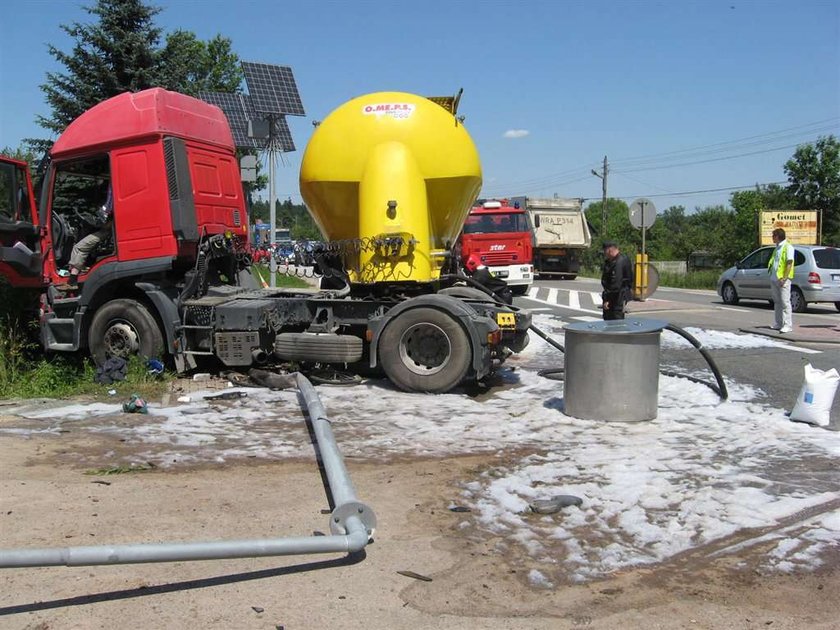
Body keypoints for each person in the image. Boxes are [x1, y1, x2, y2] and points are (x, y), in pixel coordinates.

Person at [59, 186, 114, 289]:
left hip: (106, 232)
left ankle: (72, 281)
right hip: (107, 231)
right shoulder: (112, 203)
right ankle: (75, 272)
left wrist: (98, 225)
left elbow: (109, 224)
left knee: (79, 247)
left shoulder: (112, 206)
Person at [768, 227, 795, 333]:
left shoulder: (788, 247)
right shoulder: (777, 248)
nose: (772, 238)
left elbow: (789, 263)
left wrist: (784, 278)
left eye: (773, 236)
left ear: (777, 236)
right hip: (774, 278)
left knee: (785, 302)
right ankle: (778, 323)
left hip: (783, 280)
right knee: (777, 301)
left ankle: (787, 325)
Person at [601, 240, 633, 320]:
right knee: (614, 320)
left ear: (609, 250)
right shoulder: (621, 259)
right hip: (620, 295)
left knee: (613, 321)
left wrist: (608, 300)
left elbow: (615, 284)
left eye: (605, 251)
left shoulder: (619, 262)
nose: (604, 253)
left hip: (617, 297)